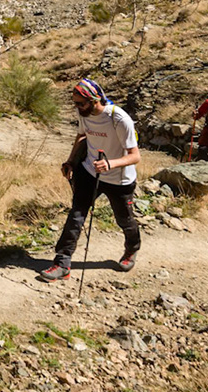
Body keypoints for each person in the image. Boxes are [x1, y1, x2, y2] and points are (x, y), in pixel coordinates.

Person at [39, 79, 142, 281]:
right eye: (75, 103)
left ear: (95, 100)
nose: (77, 108)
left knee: (124, 219)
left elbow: (135, 155)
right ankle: (62, 262)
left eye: (81, 104)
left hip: (118, 179)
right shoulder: (83, 114)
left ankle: (132, 248)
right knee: (76, 215)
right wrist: (70, 161)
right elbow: (80, 136)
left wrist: (110, 164)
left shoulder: (119, 119)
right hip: (89, 171)